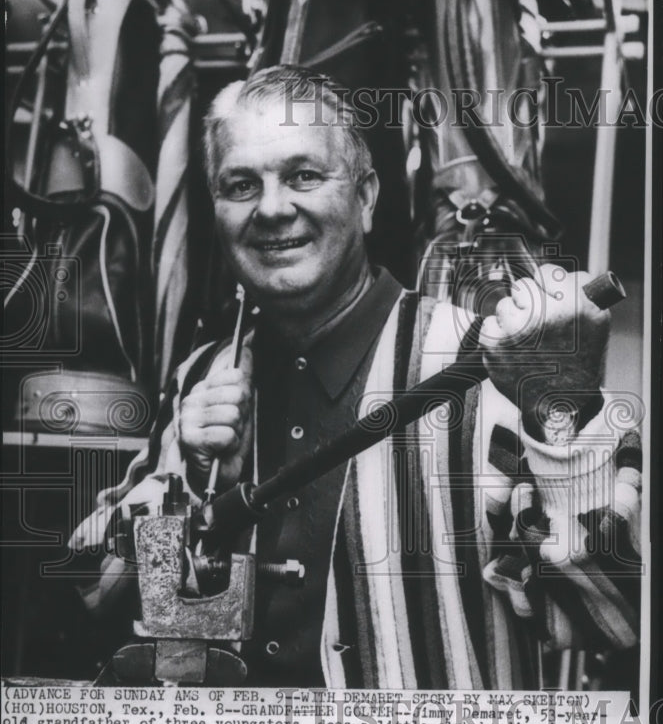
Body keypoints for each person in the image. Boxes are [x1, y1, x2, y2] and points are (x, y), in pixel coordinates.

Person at [73, 65, 641, 690]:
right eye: (240, 185)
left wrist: (563, 408)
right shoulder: (202, 375)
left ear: (367, 197)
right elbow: (93, 591)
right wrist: (187, 484)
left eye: (304, 176)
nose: (270, 208)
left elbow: (613, 616)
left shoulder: (492, 366)